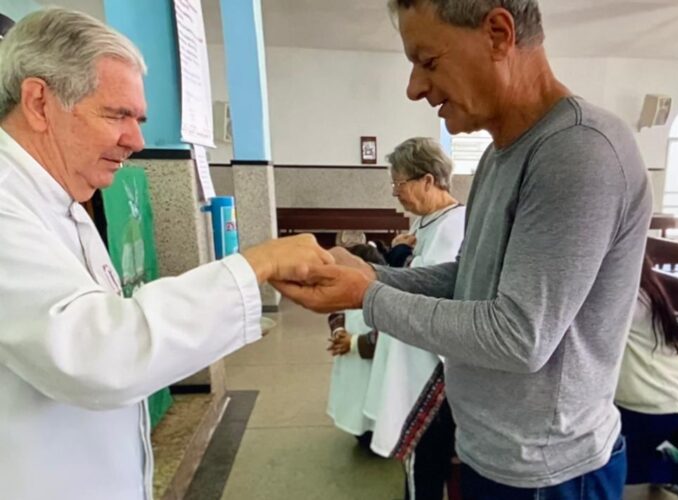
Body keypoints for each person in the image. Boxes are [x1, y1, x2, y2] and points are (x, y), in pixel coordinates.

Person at [275, 1, 653, 498]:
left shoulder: (577, 152)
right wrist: (367, 276)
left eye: (428, 62)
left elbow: (520, 337)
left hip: (550, 472)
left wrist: (367, 298)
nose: (414, 88)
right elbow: (468, 278)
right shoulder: (502, 153)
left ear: (498, 34)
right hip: (492, 450)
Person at [0, 9, 330, 500]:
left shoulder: (57, 197)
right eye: (117, 115)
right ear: (39, 102)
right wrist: (256, 264)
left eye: (139, 119)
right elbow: (96, 352)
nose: (136, 140)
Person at [361, 137, 465, 500]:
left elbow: (434, 287)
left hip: (432, 367)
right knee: (420, 458)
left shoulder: (454, 225)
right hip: (412, 348)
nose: (396, 193)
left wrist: (399, 260)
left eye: (399, 183)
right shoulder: (427, 221)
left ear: (427, 180)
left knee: (427, 457)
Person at [614, 256, 678, 487]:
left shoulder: (627, 298)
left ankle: (676, 470)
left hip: (652, 407)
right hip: (675, 398)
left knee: (608, 465)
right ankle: (658, 454)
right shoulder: (648, 290)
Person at [326, 244, 386, 449]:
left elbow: (386, 336)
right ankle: (359, 430)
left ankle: (376, 435)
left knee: (372, 402)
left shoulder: (384, 300)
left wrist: (353, 342)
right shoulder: (347, 295)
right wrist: (339, 332)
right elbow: (336, 313)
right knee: (353, 400)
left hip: (372, 366)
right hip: (353, 366)